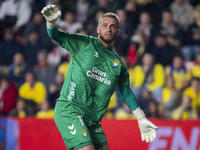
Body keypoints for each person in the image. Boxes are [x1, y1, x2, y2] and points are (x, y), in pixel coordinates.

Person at [41, 5, 158, 150]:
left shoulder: (118, 64)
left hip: (93, 120)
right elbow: (56, 35)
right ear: (98, 29)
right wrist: (51, 23)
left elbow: (126, 91)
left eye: (112, 27)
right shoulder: (84, 43)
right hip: (70, 109)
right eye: (105, 25)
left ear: (117, 32)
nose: (108, 29)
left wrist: (141, 117)